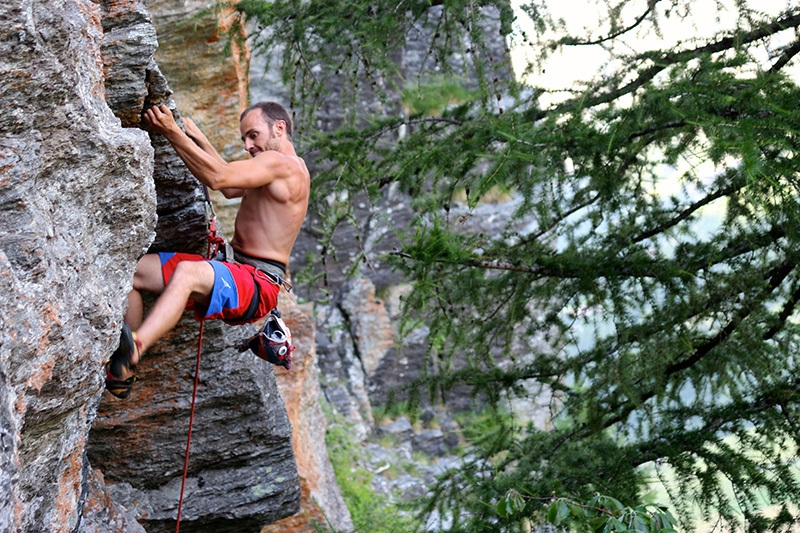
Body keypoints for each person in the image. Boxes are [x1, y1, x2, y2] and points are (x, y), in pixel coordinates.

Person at [105, 101, 310, 398]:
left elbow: (218, 178)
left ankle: (134, 348)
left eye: (253, 135)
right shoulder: (283, 169)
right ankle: (123, 373)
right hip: (238, 272)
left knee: (188, 273)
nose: (248, 145)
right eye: (244, 139)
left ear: (279, 127)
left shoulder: (281, 164)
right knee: (134, 273)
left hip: (256, 284)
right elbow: (230, 188)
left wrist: (171, 131)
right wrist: (197, 138)